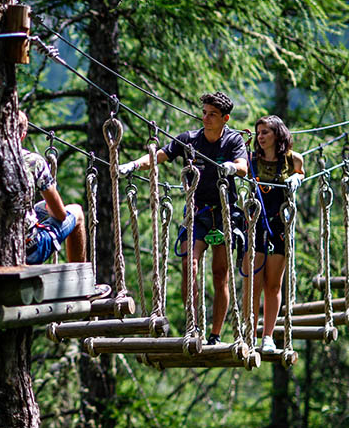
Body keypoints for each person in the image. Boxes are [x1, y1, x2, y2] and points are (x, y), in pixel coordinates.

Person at [119, 91, 248, 344]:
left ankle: (215, 334)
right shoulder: (189, 141)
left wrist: (231, 167)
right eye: (204, 113)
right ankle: (193, 327)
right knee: (190, 267)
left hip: (223, 214)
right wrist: (134, 164)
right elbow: (160, 156)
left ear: (225, 118)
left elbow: (243, 166)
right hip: (197, 213)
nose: (206, 118)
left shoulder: (233, 141)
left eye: (212, 114)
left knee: (221, 273)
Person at [242, 115, 304, 351]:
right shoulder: (251, 160)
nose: (261, 136)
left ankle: (267, 336)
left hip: (280, 225)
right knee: (253, 283)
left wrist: (296, 179)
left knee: (273, 285)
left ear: (277, 134)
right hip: (256, 223)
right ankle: (249, 332)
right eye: (259, 133)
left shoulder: (292, 159)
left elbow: (301, 171)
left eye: (265, 132)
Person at [18, 111, 87, 264]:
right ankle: (80, 282)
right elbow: (61, 215)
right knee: (77, 212)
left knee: (40, 208)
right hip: (29, 250)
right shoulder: (33, 161)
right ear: (22, 135)